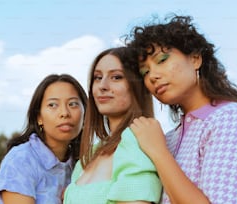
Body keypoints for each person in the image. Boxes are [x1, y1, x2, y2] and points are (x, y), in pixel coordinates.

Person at [126, 14, 237, 203]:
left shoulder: (230, 119)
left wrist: (158, 152)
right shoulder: (169, 138)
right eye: (145, 72)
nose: (153, 76)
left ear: (195, 59)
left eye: (161, 60)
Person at [63, 47, 162, 204]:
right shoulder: (92, 153)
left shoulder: (136, 142)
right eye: (97, 77)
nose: (102, 86)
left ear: (137, 86)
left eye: (116, 77)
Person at [0, 74, 87, 204]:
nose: (64, 113)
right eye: (53, 105)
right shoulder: (21, 159)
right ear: (38, 117)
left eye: (73, 104)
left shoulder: (84, 164)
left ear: (85, 114)